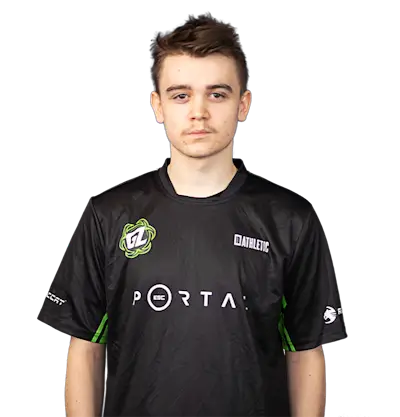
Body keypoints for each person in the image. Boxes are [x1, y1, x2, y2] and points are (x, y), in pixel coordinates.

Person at [37, 15, 348, 417]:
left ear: (243, 105)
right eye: (181, 95)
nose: (199, 112)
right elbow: (85, 349)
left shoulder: (290, 220)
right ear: (158, 106)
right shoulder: (108, 215)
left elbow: (305, 352)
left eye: (217, 94)